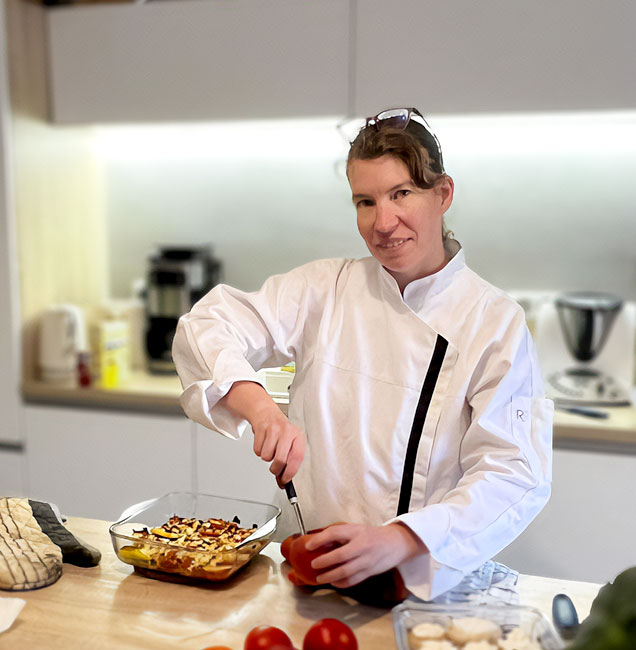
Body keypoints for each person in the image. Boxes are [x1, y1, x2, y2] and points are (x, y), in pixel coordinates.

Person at [172, 107, 553, 602]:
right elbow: (206, 326)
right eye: (365, 201)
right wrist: (261, 408)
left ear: (443, 194)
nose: (383, 222)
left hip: (416, 584)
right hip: (304, 574)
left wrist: (399, 540)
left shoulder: (494, 322)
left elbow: (514, 473)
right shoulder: (325, 287)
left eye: (401, 194)